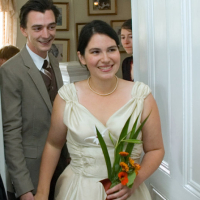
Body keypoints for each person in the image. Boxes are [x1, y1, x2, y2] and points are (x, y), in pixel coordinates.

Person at [35, 20, 164, 200]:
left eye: (111, 49)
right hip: (79, 190)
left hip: (126, 193)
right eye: (95, 52)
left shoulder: (141, 96)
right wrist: (42, 192)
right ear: (82, 57)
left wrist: (135, 180)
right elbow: (53, 145)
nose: (106, 58)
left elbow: (156, 149)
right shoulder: (67, 97)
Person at [0, 0, 69, 200]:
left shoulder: (53, 62)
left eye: (51, 27)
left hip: (60, 170)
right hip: (31, 177)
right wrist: (23, 189)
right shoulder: (9, 72)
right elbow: (11, 133)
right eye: (37, 28)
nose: (46, 35)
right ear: (23, 29)